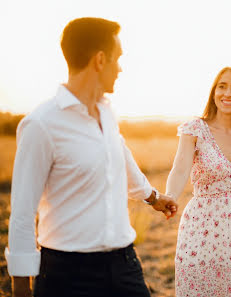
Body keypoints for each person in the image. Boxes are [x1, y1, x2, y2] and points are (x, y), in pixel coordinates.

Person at [6, 17, 177, 297]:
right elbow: (23, 214)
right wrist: (21, 290)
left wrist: (153, 198)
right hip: (68, 274)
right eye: (117, 59)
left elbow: (120, 157)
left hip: (125, 266)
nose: (120, 69)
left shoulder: (108, 113)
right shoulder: (41, 124)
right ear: (100, 60)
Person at [165, 66, 231, 296]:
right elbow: (180, 168)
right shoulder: (195, 129)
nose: (227, 94)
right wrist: (171, 196)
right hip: (202, 231)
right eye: (222, 86)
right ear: (214, 91)